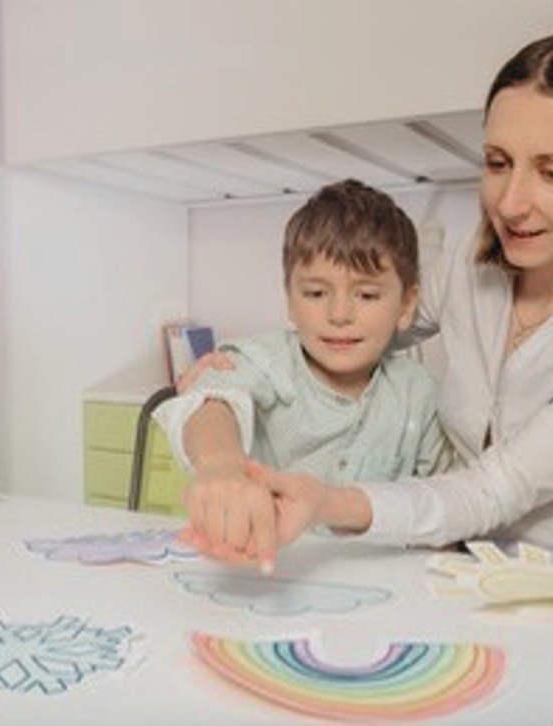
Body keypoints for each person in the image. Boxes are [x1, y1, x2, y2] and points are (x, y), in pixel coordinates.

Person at [176, 29, 553, 578]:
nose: (510, 204)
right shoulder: (471, 268)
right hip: (465, 576)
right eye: (497, 162)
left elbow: (493, 490)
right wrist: (227, 385)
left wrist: (328, 502)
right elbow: (352, 326)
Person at [154, 179, 450, 572]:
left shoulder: (420, 392)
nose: (339, 314)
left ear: (406, 304)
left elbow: (446, 502)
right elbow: (213, 398)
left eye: (366, 295)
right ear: (289, 299)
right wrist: (221, 465)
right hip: (269, 574)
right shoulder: (270, 362)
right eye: (315, 293)